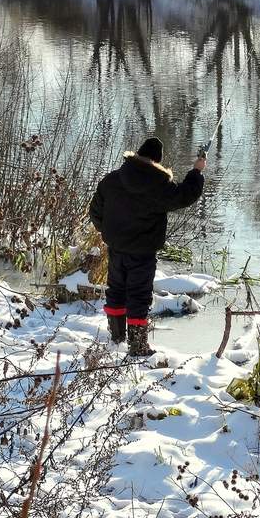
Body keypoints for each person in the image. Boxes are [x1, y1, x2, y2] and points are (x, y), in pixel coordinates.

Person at [88, 137, 206, 357]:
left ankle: (116, 339)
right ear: (157, 161)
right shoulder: (158, 185)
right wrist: (196, 173)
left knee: (116, 291)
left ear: (136, 156)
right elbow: (185, 195)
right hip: (142, 253)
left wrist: (106, 231)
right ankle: (138, 347)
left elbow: (94, 211)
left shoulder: (111, 180)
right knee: (139, 296)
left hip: (116, 248)